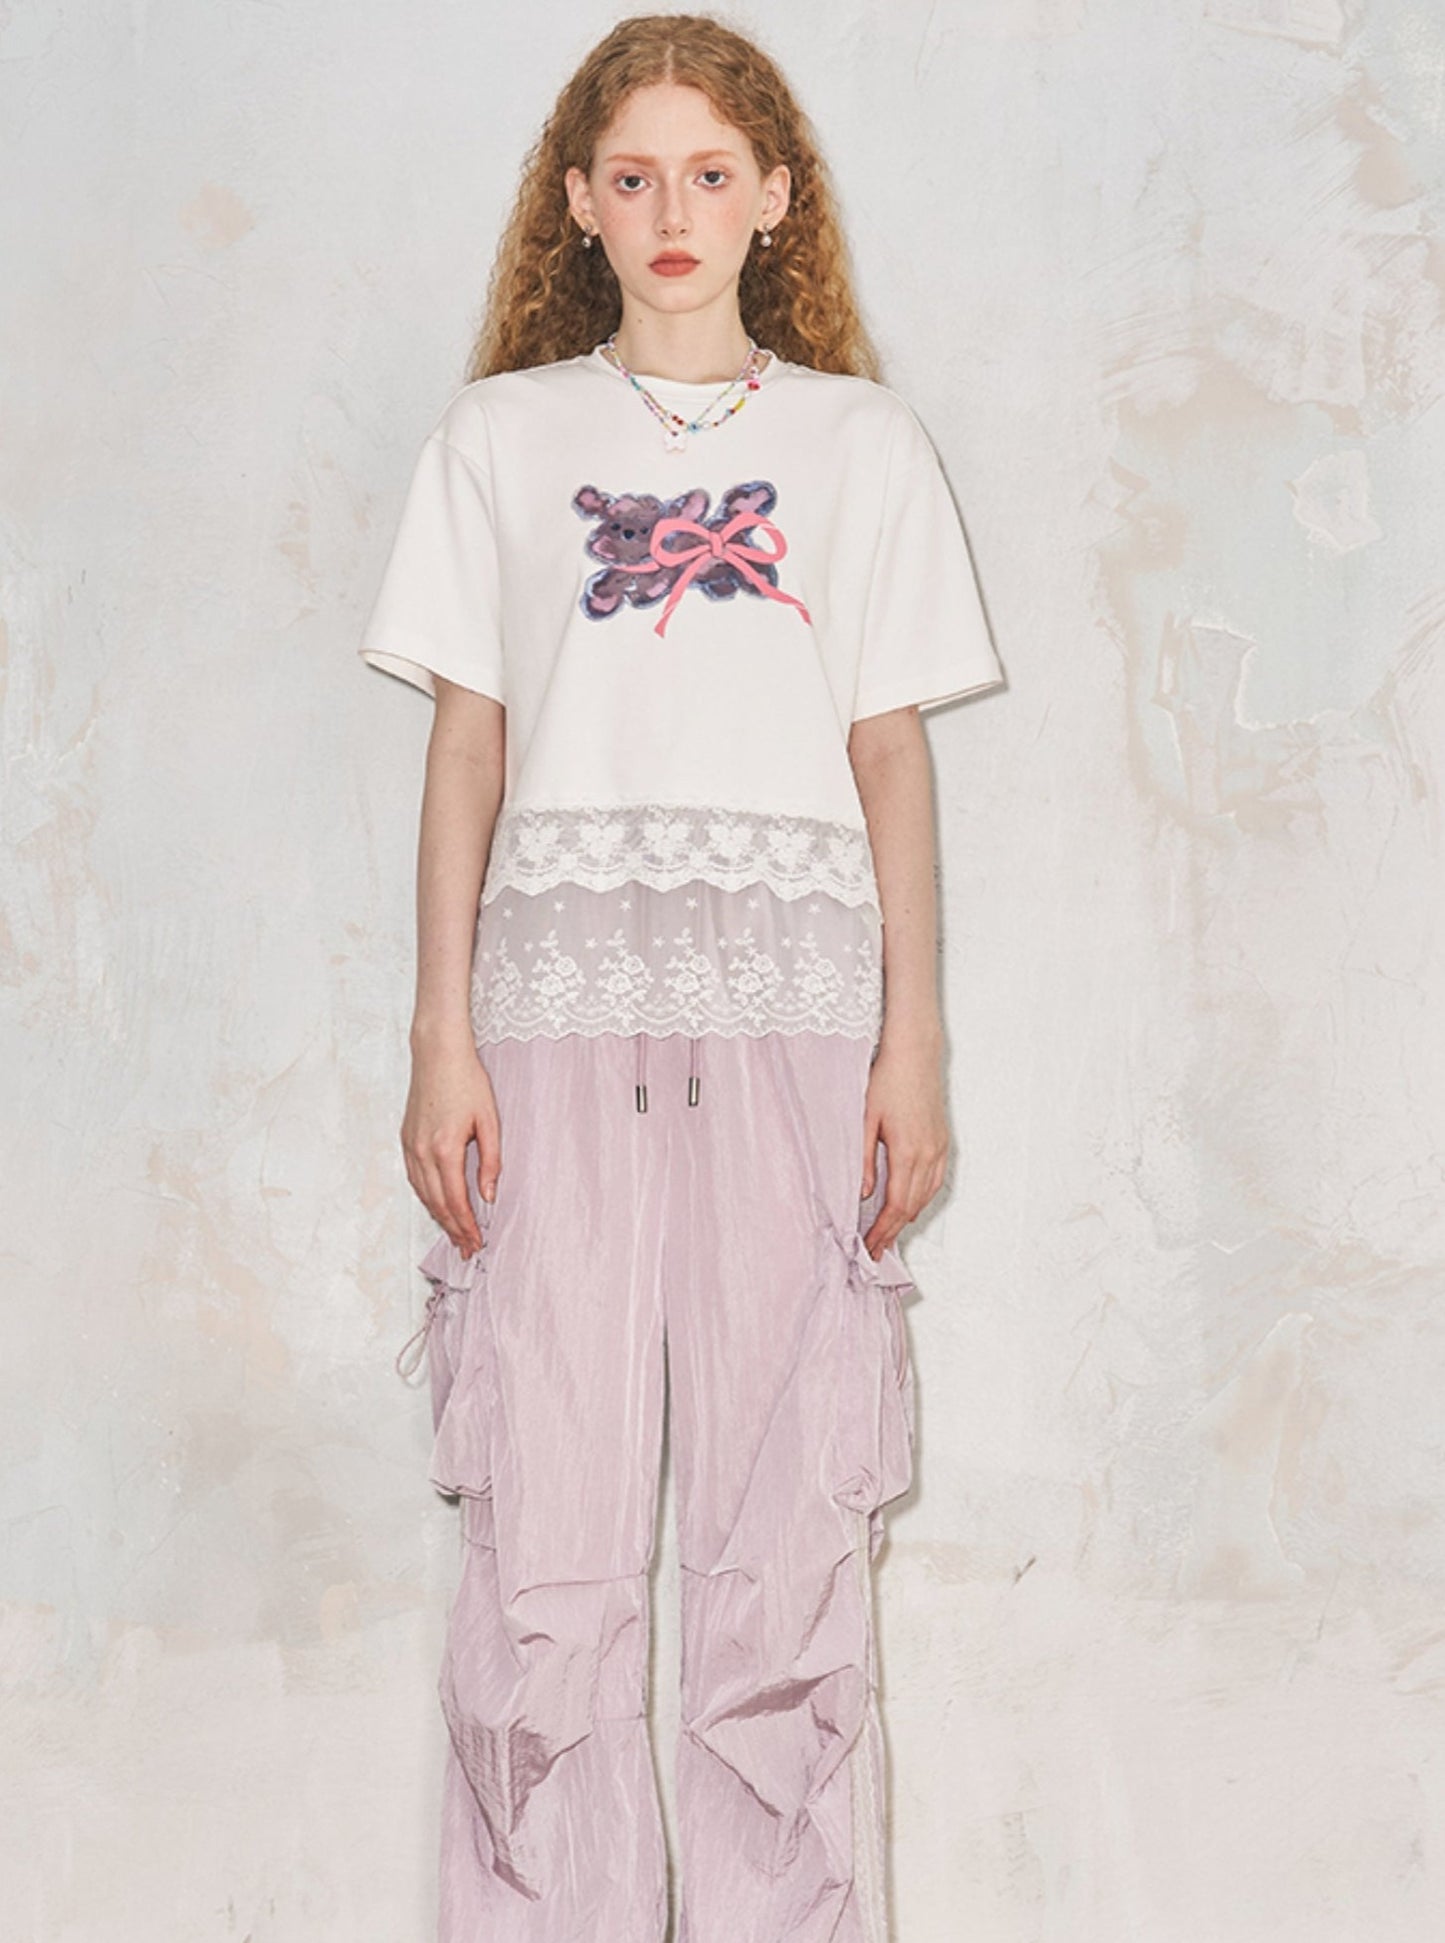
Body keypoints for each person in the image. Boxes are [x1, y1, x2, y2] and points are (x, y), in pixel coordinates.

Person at [358, 13, 1005, 1939]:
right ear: (576, 201)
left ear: (772, 197)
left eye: (710, 174)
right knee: (544, 1555)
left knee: (780, 1552)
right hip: (555, 1018)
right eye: (632, 175)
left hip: (794, 1019)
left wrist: (913, 1043)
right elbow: (465, 747)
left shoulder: (861, 444)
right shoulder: (499, 438)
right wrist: (439, 1037)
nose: (671, 210)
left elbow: (889, 753)